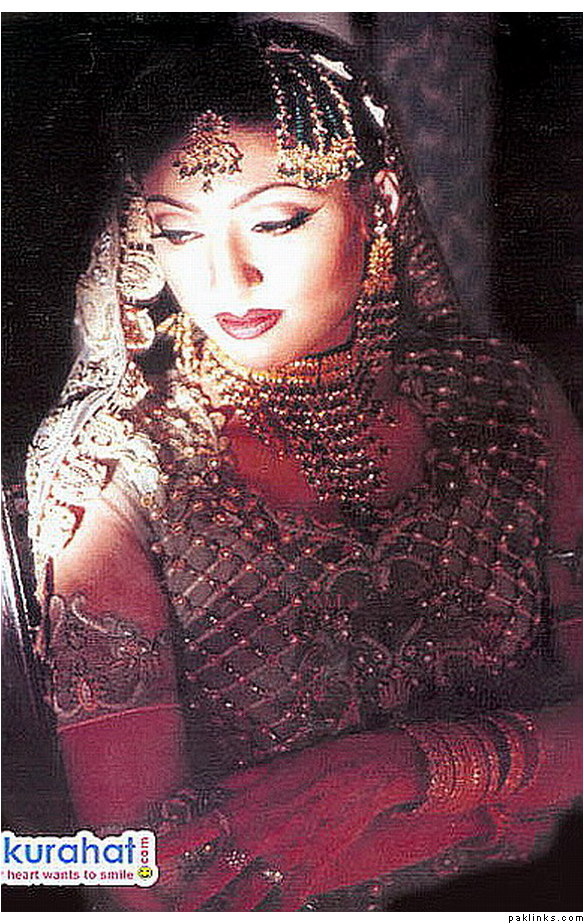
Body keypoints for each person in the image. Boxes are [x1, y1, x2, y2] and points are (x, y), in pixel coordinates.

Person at [25, 21, 581, 912]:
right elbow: (140, 875)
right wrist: (510, 801)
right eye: (178, 233)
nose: (226, 278)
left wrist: (397, 771)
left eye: (276, 220)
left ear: (379, 204)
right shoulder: (117, 478)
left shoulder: (508, 404)